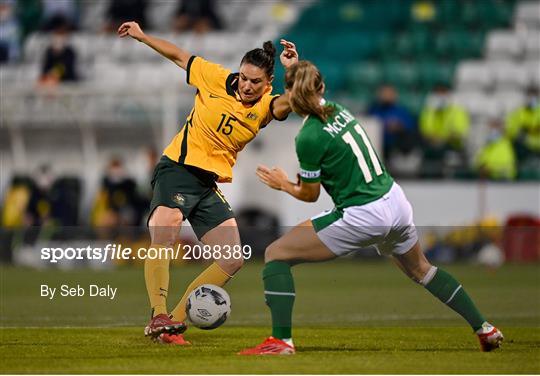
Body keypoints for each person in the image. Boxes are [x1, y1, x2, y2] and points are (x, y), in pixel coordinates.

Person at [239, 61, 503, 355]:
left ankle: (281, 341)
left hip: (363, 213)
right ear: (321, 88)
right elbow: (307, 88)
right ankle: (485, 328)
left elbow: (310, 195)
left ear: (288, 93)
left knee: (276, 253)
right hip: (395, 200)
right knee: (422, 269)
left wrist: (283, 183)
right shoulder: (338, 109)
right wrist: (296, 66)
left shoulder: (309, 137)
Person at [118, 21, 298, 345]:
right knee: (166, 227)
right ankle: (157, 312)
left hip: (206, 184)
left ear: (268, 82)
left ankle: (170, 324)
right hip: (177, 168)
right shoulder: (214, 77)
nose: (246, 85)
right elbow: (178, 55)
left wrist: (295, 70)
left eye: (255, 82)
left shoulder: (267, 105)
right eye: (243, 77)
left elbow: (296, 100)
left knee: (232, 258)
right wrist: (143, 37)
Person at [367, 84, 416, 160]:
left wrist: (398, 127)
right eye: (384, 94)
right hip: (377, 146)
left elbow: (409, 127)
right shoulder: (373, 110)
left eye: (389, 94)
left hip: (395, 148)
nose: (386, 96)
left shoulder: (401, 111)